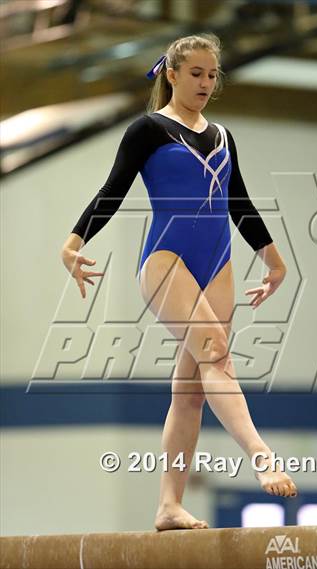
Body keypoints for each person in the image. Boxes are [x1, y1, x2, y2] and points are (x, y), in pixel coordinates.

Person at [61, 33, 298, 531]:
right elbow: (112, 190)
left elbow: (241, 204)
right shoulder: (148, 130)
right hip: (166, 260)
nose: (206, 83)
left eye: (213, 75)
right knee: (218, 355)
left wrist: (274, 263)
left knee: (190, 390)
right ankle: (262, 455)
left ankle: (169, 505)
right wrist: (73, 242)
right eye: (196, 74)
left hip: (219, 262)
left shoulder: (224, 136)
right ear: (171, 73)